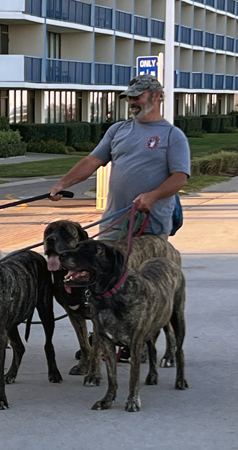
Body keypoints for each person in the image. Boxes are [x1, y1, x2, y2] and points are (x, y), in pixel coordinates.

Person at [49, 74, 191, 362]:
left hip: (149, 228)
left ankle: (144, 343)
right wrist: (63, 183)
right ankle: (107, 336)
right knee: (102, 281)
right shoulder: (118, 131)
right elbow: (92, 161)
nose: (132, 102)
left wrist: (152, 196)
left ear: (155, 96)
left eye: (137, 96)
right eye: (130, 97)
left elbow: (179, 177)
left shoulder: (171, 136)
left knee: (140, 286)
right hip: (113, 225)